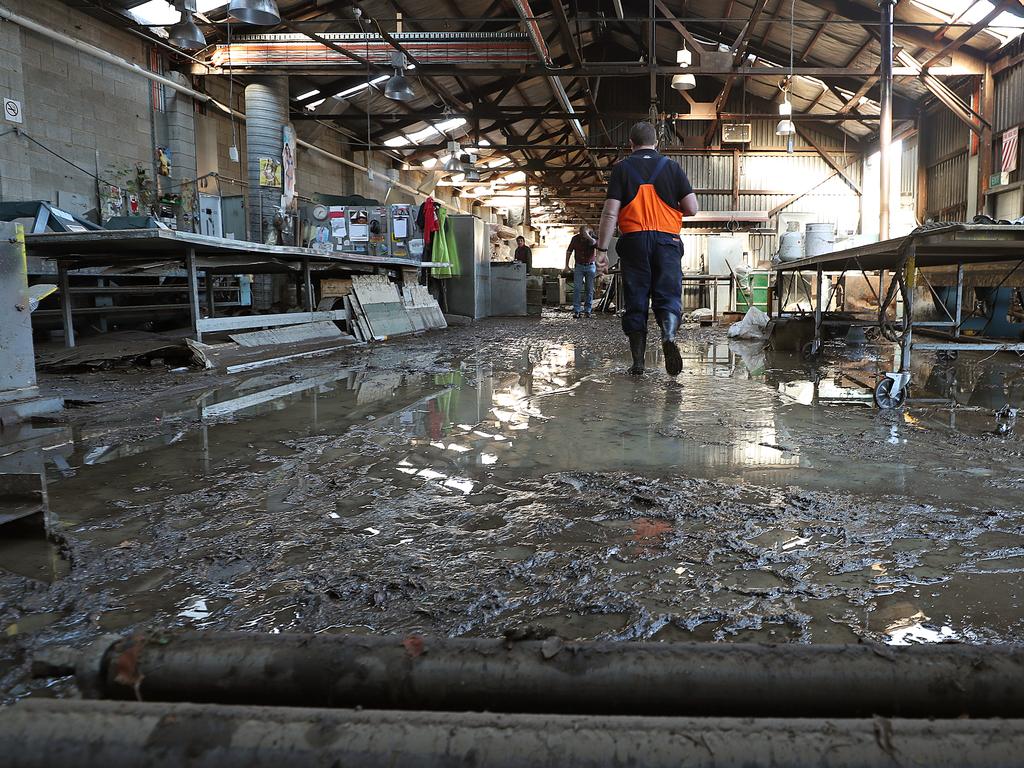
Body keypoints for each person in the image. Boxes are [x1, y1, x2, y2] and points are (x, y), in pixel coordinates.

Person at [594, 122, 699, 376]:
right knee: (668, 296)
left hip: (634, 242)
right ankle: (669, 335)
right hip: (667, 242)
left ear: (631, 144)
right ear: (656, 143)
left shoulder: (622, 169)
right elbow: (692, 208)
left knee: (636, 300)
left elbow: (610, 213)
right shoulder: (672, 167)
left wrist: (602, 250)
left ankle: (638, 363)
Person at [565, 225, 597, 318]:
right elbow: (569, 251)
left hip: (590, 266)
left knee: (589, 289)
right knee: (577, 288)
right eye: (581, 234)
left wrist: (588, 236)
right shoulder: (575, 239)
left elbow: (596, 245)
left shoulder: (592, 237)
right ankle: (576, 310)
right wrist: (566, 265)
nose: (582, 237)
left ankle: (588, 310)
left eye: (584, 234)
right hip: (579, 266)